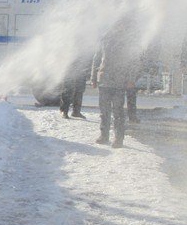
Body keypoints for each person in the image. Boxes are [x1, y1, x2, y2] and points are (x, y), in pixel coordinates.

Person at [90, 14, 140, 147]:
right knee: (104, 110)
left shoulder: (129, 41)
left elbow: (134, 62)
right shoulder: (105, 38)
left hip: (120, 80)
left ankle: (119, 138)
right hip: (105, 79)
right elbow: (97, 58)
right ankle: (104, 135)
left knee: (118, 110)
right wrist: (93, 77)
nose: (118, 27)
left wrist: (131, 79)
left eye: (121, 25)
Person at [59, 50, 92, 119]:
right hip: (69, 69)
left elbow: (88, 57)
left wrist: (88, 71)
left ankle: (76, 111)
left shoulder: (85, 45)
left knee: (80, 90)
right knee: (68, 90)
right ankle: (64, 111)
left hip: (82, 69)